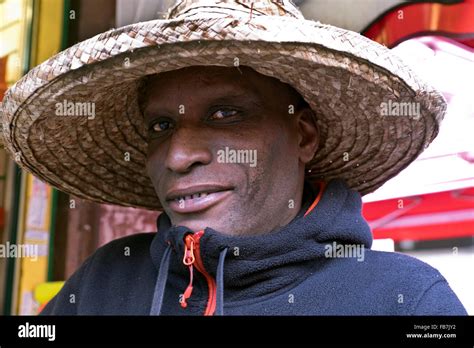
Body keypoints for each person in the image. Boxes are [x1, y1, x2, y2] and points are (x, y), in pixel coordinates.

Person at [0, 0, 466, 315]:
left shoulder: (404, 301)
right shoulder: (103, 282)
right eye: (160, 126)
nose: (178, 156)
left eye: (225, 114)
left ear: (304, 135)